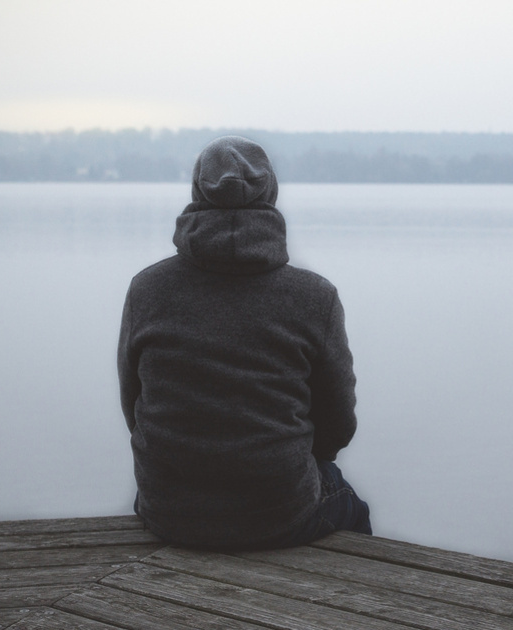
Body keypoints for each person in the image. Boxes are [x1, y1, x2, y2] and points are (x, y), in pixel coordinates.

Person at [117, 136, 371, 549]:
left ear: (198, 192)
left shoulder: (146, 290)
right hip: (280, 512)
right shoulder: (314, 297)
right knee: (352, 508)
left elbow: (134, 404)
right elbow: (338, 423)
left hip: (169, 510)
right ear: (270, 192)